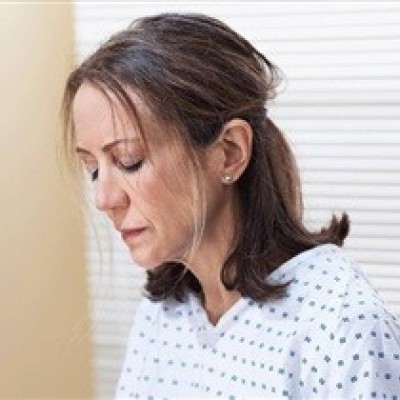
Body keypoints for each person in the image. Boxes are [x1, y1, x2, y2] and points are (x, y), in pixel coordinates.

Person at [62, 13, 400, 399]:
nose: (104, 199)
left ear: (229, 152)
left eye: (129, 160)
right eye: (93, 169)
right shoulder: (163, 313)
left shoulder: (340, 324)